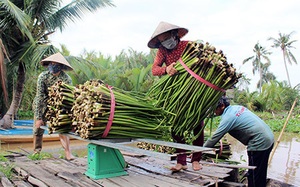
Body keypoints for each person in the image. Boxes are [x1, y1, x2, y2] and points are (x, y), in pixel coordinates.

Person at [147, 21, 204, 171]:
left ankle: (196, 160)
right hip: (175, 93)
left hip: (193, 89)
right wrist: (166, 69)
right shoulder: (162, 51)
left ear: (174, 35)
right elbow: (154, 70)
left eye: (166, 38)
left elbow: (201, 62)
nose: (165, 42)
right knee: (176, 127)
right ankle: (181, 161)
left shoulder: (188, 46)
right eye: (161, 41)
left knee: (197, 124)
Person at [204, 96, 274, 187]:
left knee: (253, 175)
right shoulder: (236, 108)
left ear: (222, 106)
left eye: (214, 109)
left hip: (258, 142)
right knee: (260, 172)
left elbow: (214, 138)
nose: (213, 112)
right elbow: (214, 114)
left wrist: (198, 151)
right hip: (269, 138)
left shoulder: (228, 118)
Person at [33, 52, 75, 160]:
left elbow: (68, 97)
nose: (53, 65)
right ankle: (36, 152)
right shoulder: (43, 76)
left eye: (56, 64)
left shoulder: (66, 79)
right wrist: (38, 117)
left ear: (60, 66)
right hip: (42, 105)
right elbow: (39, 96)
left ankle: (68, 153)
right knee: (38, 129)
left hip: (58, 106)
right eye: (51, 63)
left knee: (62, 128)